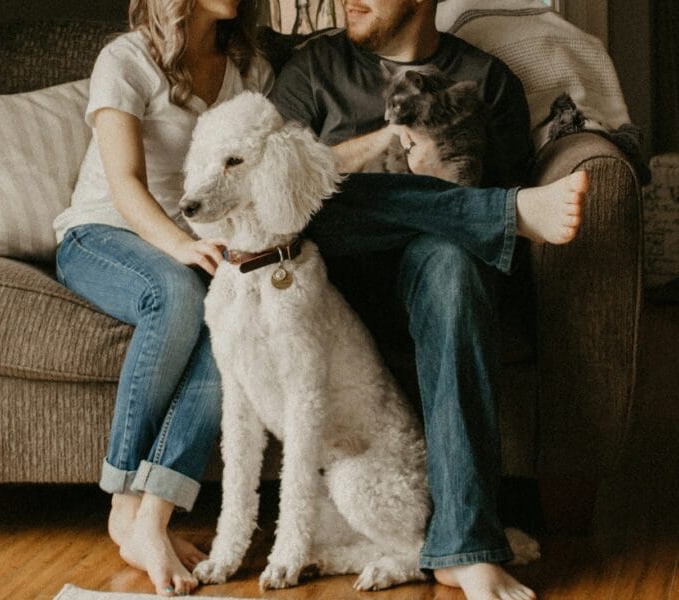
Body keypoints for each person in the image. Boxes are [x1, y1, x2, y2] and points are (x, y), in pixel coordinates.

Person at [268, 1, 588, 599]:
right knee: (308, 195)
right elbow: (276, 188)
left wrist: (446, 183)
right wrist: (383, 143)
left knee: (454, 263)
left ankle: (463, 548)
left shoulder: (486, 81)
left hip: (433, 275)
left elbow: (494, 253)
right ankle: (503, 215)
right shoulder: (314, 69)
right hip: (332, 276)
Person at [52, 0, 273, 596]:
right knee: (177, 295)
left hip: (197, 241)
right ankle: (124, 509)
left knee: (234, 322)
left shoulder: (248, 68)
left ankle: (151, 517)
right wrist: (178, 243)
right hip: (102, 234)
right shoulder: (124, 60)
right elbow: (123, 180)